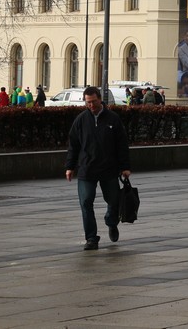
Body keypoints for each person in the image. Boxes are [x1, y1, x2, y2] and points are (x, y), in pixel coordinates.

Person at [64, 86, 131, 251]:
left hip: (108, 168)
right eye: (88, 103)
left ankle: (111, 222)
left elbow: (122, 144)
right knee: (86, 202)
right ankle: (91, 238)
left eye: (94, 102)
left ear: (100, 99)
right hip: (87, 168)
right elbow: (73, 145)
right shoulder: (81, 120)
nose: (91, 105)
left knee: (113, 201)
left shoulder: (113, 119)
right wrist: (70, 167)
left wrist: (125, 166)